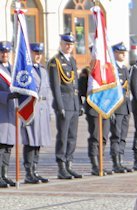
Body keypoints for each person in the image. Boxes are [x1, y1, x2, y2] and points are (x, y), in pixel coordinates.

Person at [48, 33, 83, 179]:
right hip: (64, 103)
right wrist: (60, 105)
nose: (69, 46)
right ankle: (61, 166)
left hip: (73, 103)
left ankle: (69, 163)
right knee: (62, 136)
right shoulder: (55, 62)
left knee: (72, 136)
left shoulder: (72, 60)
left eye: (71, 44)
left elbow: (76, 85)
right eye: (66, 44)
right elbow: (55, 86)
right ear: (61, 44)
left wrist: (79, 103)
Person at [21, 42, 52, 184]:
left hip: (43, 109)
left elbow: (48, 91)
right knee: (30, 141)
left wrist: (50, 110)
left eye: (40, 54)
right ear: (30, 54)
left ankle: (35, 169)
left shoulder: (44, 71)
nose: (38, 56)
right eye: (35, 53)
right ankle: (28, 172)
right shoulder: (26, 71)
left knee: (38, 141)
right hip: (31, 109)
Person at [110, 42, 133, 174]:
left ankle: (121, 160)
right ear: (114, 53)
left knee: (123, 135)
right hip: (117, 107)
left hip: (126, 107)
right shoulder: (112, 69)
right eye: (120, 52)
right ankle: (115, 162)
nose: (123, 54)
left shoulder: (125, 69)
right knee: (116, 135)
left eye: (124, 52)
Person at [0, 41, 19, 187]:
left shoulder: (13, 69)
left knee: (8, 146)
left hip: (12, 112)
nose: (4, 54)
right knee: (0, 145)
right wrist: (7, 96)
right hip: (1, 112)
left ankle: (5, 174)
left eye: (6, 52)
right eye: (2, 52)